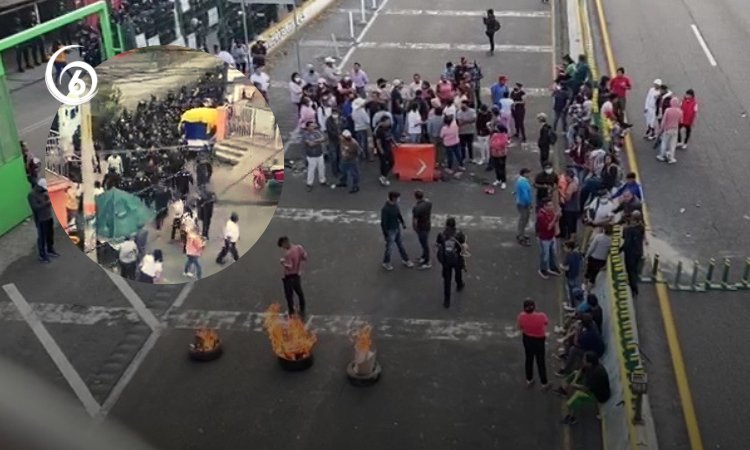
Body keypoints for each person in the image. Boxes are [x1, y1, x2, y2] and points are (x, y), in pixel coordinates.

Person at [556, 352, 611, 425]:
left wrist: (575, 385)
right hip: (592, 387)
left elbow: (586, 389)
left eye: (584, 359)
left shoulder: (596, 373)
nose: (583, 360)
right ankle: (564, 391)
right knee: (575, 373)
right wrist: (574, 381)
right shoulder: (592, 366)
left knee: (578, 395)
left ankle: (572, 418)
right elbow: (580, 371)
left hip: (599, 395)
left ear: (589, 363)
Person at [517, 299, 550, 389]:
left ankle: (529, 379)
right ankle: (544, 382)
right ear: (534, 307)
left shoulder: (521, 316)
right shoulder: (542, 316)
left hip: (527, 339)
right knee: (540, 361)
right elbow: (546, 323)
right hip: (539, 340)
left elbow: (520, 327)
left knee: (529, 359)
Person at [436, 217, 467, 308]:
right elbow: (463, 244)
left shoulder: (441, 234)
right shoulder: (459, 234)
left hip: (446, 260)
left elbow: (438, 244)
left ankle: (447, 301)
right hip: (456, 258)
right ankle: (459, 284)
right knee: (458, 272)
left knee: (447, 280)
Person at [380, 191, 414, 271]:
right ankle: (386, 262)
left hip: (396, 228)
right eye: (398, 197)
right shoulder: (386, 209)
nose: (399, 199)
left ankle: (406, 259)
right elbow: (383, 223)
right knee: (390, 248)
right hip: (390, 230)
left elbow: (398, 214)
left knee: (400, 244)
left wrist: (402, 223)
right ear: (394, 198)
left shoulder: (395, 205)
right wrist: (386, 234)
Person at [28, 178, 59, 263]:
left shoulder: (45, 192)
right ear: (39, 187)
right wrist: (47, 203)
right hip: (41, 219)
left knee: (50, 235)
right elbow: (35, 207)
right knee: (42, 237)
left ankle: (50, 249)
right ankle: (42, 255)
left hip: (48, 216)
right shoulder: (32, 195)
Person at [278, 236, 308, 317]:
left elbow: (290, 266)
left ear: (285, 243)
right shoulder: (299, 247)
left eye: (282, 246)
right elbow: (304, 256)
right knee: (299, 293)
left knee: (289, 295)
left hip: (289, 277)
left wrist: (283, 263)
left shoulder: (288, 254)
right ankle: (302, 310)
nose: (283, 248)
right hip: (297, 275)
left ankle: (291, 312)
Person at [621, 211, 646, 298]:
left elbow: (626, 242)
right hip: (638, 251)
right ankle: (634, 285)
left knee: (630, 271)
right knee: (634, 270)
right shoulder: (641, 227)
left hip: (630, 253)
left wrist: (619, 250)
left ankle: (634, 289)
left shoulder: (628, 230)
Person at [536, 198, 561, 279]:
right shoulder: (541, 216)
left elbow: (555, 221)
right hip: (544, 239)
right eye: (549, 206)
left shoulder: (550, 213)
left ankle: (552, 267)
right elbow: (548, 227)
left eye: (552, 205)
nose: (552, 207)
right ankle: (542, 269)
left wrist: (558, 217)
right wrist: (555, 218)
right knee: (545, 255)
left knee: (552, 253)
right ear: (544, 206)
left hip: (551, 237)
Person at [302, 120, 327, 191]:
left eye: (314, 126)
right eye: (311, 126)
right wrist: (319, 141)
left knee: (322, 168)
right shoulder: (305, 135)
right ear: (307, 127)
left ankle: (322, 180)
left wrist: (315, 141)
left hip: (319, 154)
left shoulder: (317, 132)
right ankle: (309, 183)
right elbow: (310, 144)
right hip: (311, 155)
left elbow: (324, 138)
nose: (313, 127)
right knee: (311, 169)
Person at [412, 190, 433, 269]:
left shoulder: (416, 208)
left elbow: (414, 221)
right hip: (427, 225)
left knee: (424, 245)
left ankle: (427, 261)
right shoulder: (428, 203)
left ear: (415, 197)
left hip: (421, 227)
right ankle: (424, 257)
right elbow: (428, 201)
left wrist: (415, 228)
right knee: (424, 243)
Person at [374, 116, 397, 186]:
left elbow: (390, 136)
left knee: (392, 162)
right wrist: (381, 151)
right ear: (383, 122)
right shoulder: (379, 130)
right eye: (387, 121)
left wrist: (395, 143)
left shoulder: (388, 128)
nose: (389, 123)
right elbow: (378, 141)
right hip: (383, 149)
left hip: (388, 148)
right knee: (383, 163)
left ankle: (383, 175)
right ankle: (383, 177)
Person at [515, 168, 533, 246]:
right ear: (524, 174)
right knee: (524, 219)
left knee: (523, 219)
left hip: (520, 202)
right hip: (524, 204)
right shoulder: (524, 183)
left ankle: (520, 233)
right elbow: (526, 195)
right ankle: (521, 236)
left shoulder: (520, 181)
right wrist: (529, 203)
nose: (529, 175)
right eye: (528, 173)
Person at [561, 240, 583, 305]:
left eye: (565, 247)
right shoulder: (577, 254)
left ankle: (571, 304)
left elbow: (567, 268)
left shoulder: (568, 256)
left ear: (569, 248)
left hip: (570, 276)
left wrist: (561, 266)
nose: (564, 248)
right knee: (577, 289)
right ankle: (577, 301)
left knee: (570, 291)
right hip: (576, 274)